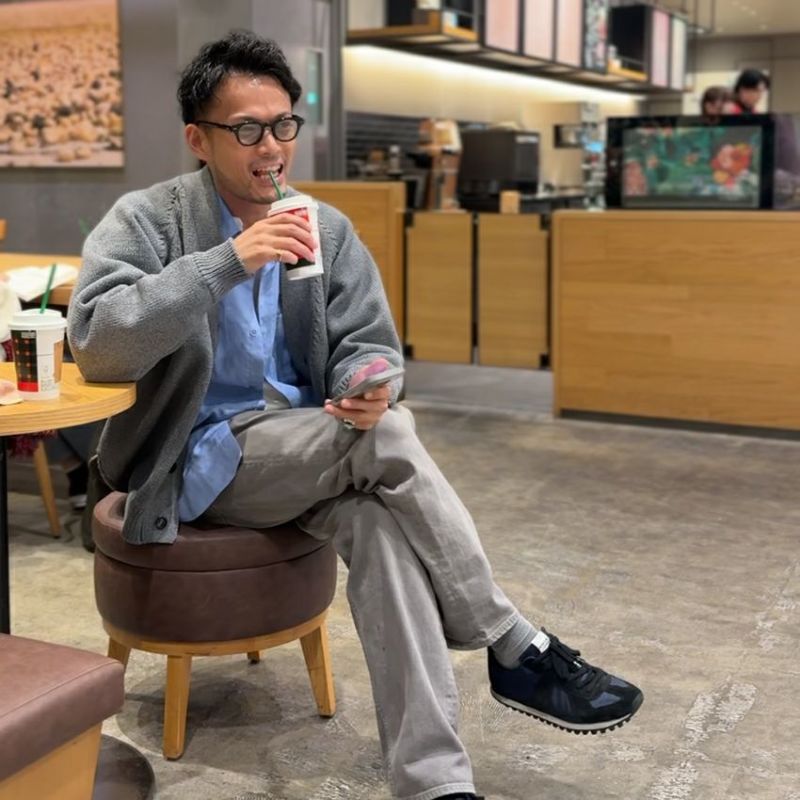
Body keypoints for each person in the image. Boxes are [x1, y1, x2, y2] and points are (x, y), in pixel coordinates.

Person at [68, 31, 643, 800]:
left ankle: (434, 783)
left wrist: (368, 382)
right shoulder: (147, 220)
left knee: (380, 521)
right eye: (247, 129)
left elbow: (368, 343)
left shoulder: (323, 228)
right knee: (391, 437)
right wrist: (229, 261)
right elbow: (99, 342)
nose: (271, 147)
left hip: (306, 454)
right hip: (195, 461)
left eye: (283, 125)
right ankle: (513, 642)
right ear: (198, 139)